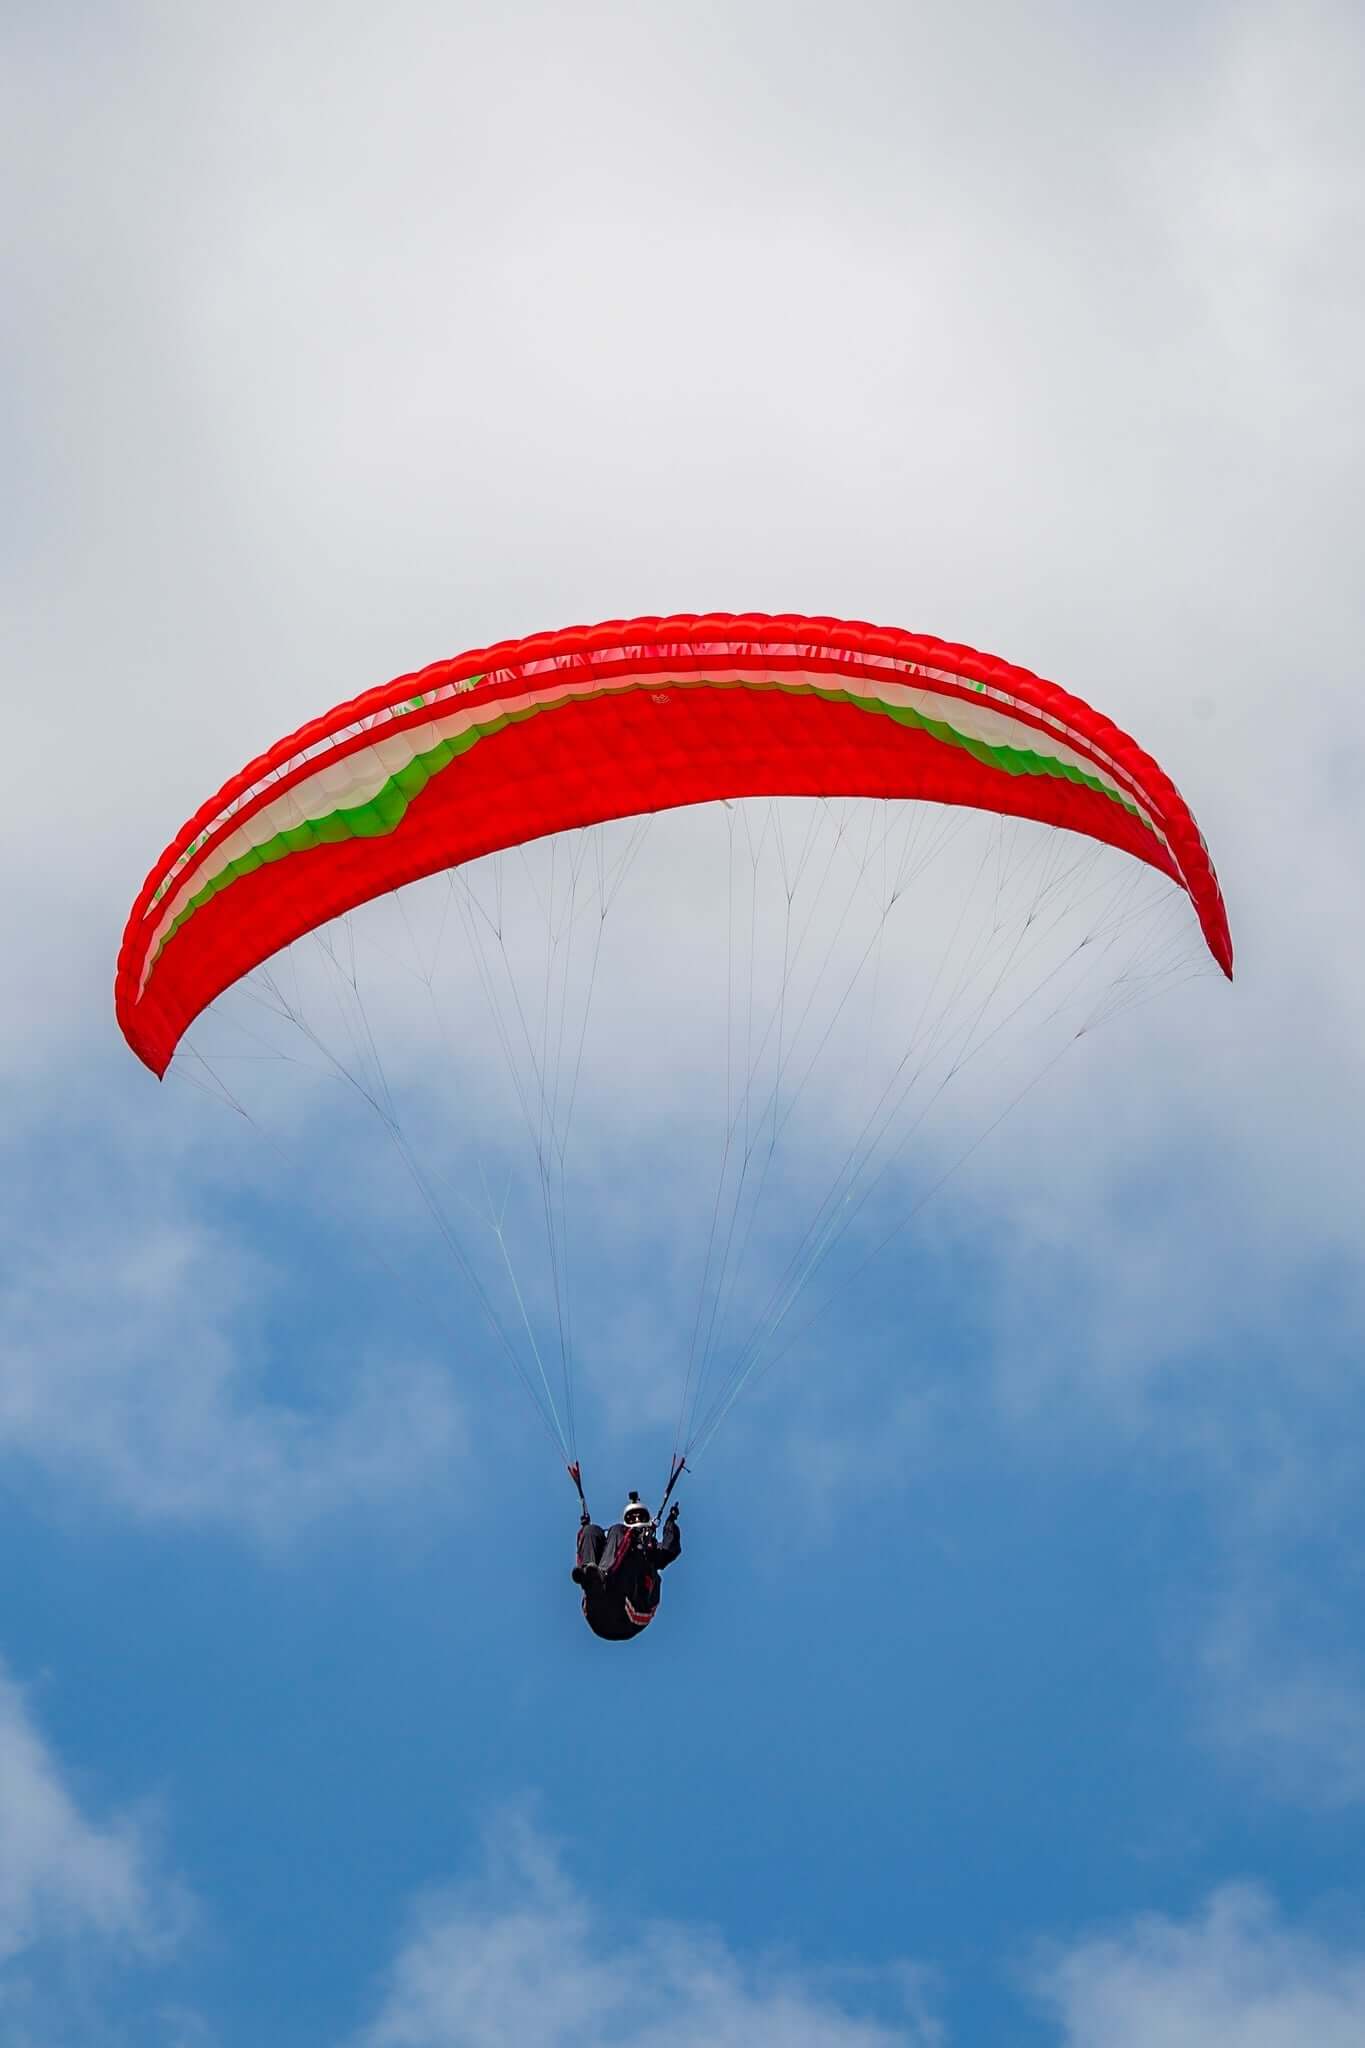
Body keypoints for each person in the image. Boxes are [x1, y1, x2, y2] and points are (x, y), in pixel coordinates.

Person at [572, 1491, 681, 1641]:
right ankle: (591, 1579)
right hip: (597, 1611)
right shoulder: (618, 1542)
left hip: (629, 1614)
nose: (636, 1520)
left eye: (640, 1517)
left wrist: (671, 1521)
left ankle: (601, 1578)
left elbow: (670, 1549)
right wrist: (585, 1529)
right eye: (632, 1518)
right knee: (591, 1531)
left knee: (620, 1534)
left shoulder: (647, 1551)